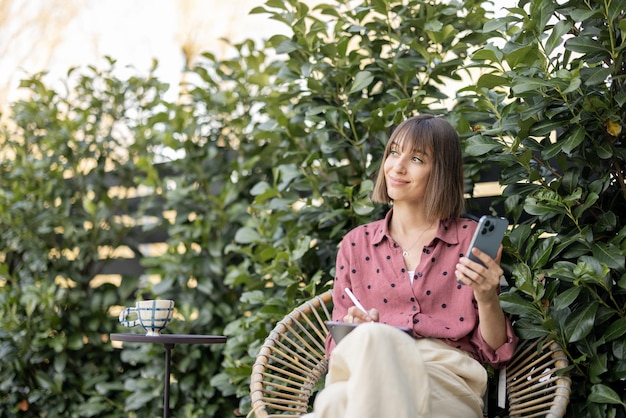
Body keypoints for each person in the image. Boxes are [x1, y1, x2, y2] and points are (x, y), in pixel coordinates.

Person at [307, 115, 518, 418]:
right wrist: (354, 330)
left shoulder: (467, 241)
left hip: (444, 380)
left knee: (333, 404)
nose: (397, 166)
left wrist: (487, 298)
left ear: (441, 172)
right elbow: (335, 349)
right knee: (366, 350)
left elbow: (496, 352)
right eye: (394, 152)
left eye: (417, 158)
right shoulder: (356, 244)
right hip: (368, 369)